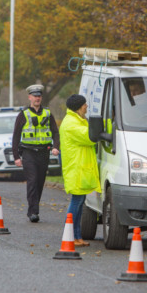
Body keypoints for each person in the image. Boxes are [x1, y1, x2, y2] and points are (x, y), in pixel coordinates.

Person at [12, 84, 60, 222]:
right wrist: (16, 157)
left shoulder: (47, 113)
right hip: (28, 153)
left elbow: (55, 132)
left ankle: (33, 207)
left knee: (39, 182)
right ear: (29, 97)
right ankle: (33, 212)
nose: (37, 98)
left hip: (43, 153)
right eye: (35, 96)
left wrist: (56, 146)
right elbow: (16, 136)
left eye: (39, 96)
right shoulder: (23, 114)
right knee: (32, 181)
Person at [59, 94, 101, 247]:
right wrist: (102, 125)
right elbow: (89, 137)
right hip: (76, 169)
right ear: (78, 107)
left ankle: (76, 237)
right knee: (76, 203)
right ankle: (69, 235)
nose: (86, 107)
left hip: (80, 169)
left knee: (79, 202)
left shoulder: (77, 120)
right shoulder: (71, 123)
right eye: (84, 104)